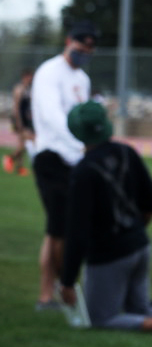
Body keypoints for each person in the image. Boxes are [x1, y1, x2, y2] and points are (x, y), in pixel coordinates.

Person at [56, 101, 152, 332]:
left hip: (108, 254)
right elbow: (151, 198)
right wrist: (137, 229)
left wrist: (68, 281)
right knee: (140, 309)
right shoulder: (126, 152)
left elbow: (77, 231)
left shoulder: (83, 172)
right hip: (139, 245)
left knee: (101, 319)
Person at [30, 20, 98, 310]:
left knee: (61, 229)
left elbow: (81, 115)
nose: (84, 50)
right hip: (51, 157)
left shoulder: (81, 78)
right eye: (81, 44)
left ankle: (54, 292)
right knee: (59, 229)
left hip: (74, 159)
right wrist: (78, 144)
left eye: (90, 47)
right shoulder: (49, 72)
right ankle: (54, 292)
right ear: (69, 40)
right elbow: (52, 117)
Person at [5, 68, 35, 176]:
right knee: (27, 142)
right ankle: (10, 158)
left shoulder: (28, 89)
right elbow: (16, 108)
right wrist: (19, 122)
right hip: (20, 121)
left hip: (26, 121)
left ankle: (19, 167)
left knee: (21, 144)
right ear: (24, 77)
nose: (31, 79)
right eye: (29, 77)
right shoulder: (19, 89)